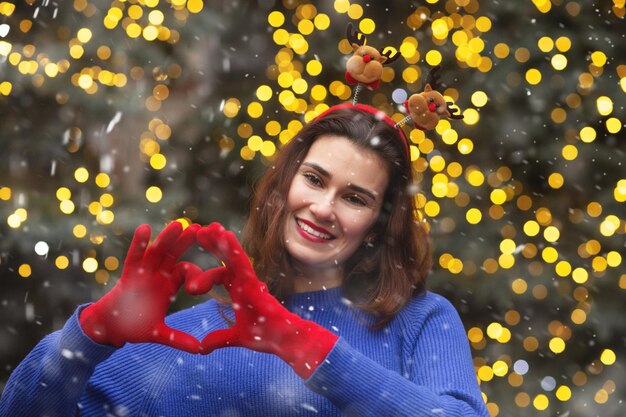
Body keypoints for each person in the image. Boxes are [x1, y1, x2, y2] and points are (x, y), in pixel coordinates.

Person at [0, 103, 490, 417]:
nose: (323, 208)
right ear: (283, 188)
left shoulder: (421, 321)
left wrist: (302, 343)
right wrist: (88, 336)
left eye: (355, 198)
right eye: (315, 180)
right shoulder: (191, 339)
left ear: (379, 226)